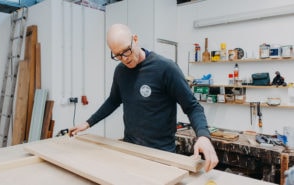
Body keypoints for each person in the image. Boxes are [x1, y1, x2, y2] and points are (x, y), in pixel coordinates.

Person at [69, 23, 218, 172]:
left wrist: (203, 136)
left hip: (162, 155)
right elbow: (113, 100)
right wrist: (88, 123)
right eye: (117, 55)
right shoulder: (121, 71)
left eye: (126, 51)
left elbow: (192, 106)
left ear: (135, 39)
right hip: (131, 150)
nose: (124, 59)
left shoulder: (166, 68)